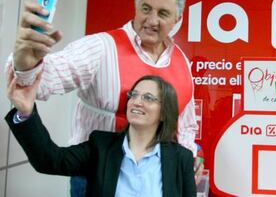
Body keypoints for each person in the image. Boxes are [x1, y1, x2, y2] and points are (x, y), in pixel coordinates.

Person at [9, 0, 204, 195]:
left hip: (157, 173)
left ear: (178, 18)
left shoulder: (182, 61)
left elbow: (185, 124)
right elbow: (40, 82)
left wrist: (188, 159)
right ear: (136, 8)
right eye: (146, 9)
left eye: (163, 13)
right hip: (94, 171)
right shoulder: (101, 47)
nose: (151, 20)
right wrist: (26, 64)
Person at [5, 71, 197, 197]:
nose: (137, 102)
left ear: (164, 112)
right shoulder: (101, 146)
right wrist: (25, 112)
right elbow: (50, 160)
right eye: (134, 95)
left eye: (148, 98)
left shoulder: (181, 158)